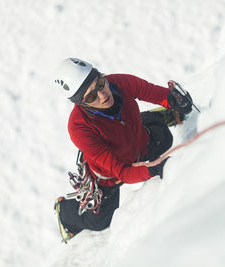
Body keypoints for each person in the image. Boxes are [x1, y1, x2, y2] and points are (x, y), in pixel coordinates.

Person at [53, 58, 193, 242]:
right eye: (91, 97)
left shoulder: (118, 83)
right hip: (108, 176)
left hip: (138, 139)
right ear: (81, 103)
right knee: (100, 221)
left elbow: (149, 91)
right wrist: (154, 168)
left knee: (164, 138)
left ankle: (157, 117)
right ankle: (64, 211)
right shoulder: (79, 128)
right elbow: (122, 171)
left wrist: (174, 100)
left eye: (100, 84)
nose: (103, 95)